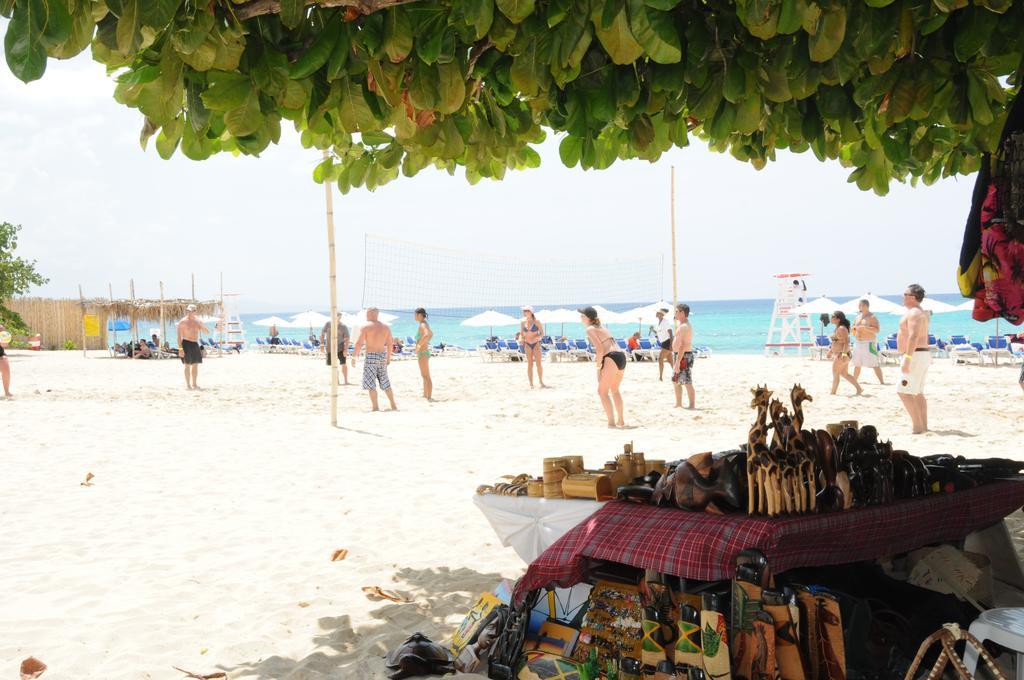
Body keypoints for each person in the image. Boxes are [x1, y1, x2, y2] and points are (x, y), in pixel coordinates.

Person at [579, 306, 625, 427]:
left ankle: (611, 423)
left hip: (611, 357)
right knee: (614, 390)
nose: (580, 317)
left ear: (587, 317)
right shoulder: (602, 327)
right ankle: (621, 420)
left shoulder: (590, 329)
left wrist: (598, 368)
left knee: (602, 392)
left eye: (582, 315)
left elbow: (599, 349)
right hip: (621, 356)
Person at [897, 284, 931, 433]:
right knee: (917, 392)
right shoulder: (918, 312)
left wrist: (908, 357)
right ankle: (923, 426)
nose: (903, 297)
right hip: (920, 354)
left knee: (903, 391)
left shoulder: (914, 313)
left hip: (915, 354)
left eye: (905, 294)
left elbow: (914, 336)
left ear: (913, 297)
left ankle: (917, 426)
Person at [351, 307, 398, 411]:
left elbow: (359, 343)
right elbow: (390, 344)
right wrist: (388, 358)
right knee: (385, 381)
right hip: (382, 355)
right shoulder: (386, 327)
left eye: (368, 313)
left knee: (371, 383)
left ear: (373, 314)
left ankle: (375, 407)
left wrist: (354, 356)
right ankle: (393, 405)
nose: (366, 315)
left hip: (371, 356)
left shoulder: (366, 327)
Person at [828, 311, 863, 396]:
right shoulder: (838, 328)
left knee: (835, 373)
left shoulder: (841, 328)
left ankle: (833, 393)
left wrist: (843, 355)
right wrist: (831, 351)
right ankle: (859, 389)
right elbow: (836, 341)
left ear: (838, 319)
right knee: (844, 374)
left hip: (842, 354)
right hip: (841, 353)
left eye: (833, 316)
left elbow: (847, 342)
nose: (831, 318)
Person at [851, 299, 885, 385]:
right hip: (858, 342)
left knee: (874, 363)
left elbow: (877, 330)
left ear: (866, 306)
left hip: (869, 342)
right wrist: (854, 330)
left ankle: (882, 381)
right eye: (859, 305)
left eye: (861, 305)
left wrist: (865, 328)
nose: (859, 307)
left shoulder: (872, 317)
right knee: (857, 363)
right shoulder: (857, 317)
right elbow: (853, 329)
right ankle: (854, 380)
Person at [176, 304, 210, 390]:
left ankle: (194, 384)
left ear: (195, 311)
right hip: (186, 343)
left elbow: (207, 332)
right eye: (188, 311)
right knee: (187, 365)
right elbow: (179, 337)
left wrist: (201, 325)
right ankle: (188, 385)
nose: (190, 312)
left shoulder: (198, 321)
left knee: (195, 365)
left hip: (195, 344)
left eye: (192, 311)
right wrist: (180, 349)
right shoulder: (182, 322)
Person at [672, 303, 695, 409]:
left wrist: (677, 362)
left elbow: (683, 345)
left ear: (682, 313)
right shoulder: (682, 325)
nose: (675, 313)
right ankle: (678, 403)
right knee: (676, 380)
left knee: (686, 381)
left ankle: (691, 405)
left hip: (683, 356)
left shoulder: (685, 326)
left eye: (677, 311)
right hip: (680, 355)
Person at [520, 306, 546, 388]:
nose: (525, 312)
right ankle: (531, 383)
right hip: (527, 344)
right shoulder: (522, 322)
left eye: (527, 311)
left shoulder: (537, 322)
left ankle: (541, 381)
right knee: (529, 364)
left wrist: (538, 338)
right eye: (524, 311)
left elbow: (542, 333)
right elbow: (521, 334)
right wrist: (521, 339)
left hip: (536, 344)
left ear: (531, 312)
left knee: (538, 364)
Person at [321, 317, 351, 385]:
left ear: (340, 317)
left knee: (343, 364)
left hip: (340, 348)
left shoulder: (343, 326)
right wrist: (321, 345)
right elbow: (322, 335)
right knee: (332, 365)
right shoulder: (328, 324)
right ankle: (336, 381)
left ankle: (346, 381)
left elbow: (347, 338)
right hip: (330, 348)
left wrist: (346, 349)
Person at [414, 307, 434, 400]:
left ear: (419, 315)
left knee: (426, 376)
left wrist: (419, 346)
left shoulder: (423, 324)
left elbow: (426, 335)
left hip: (423, 353)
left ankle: (429, 397)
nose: (414, 316)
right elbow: (431, 334)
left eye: (415, 314)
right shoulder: (424, 324)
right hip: (423, 352)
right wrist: (425, 343)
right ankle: (425, 395)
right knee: (424, 376)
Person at [651, 308, 673, 380]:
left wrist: (671, 345)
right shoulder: (658, 323)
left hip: (667, 342)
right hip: (663, 342)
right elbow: (659, 333)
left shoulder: (665, 322)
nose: (656, 313)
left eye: (657, 312)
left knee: (660, 359)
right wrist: (653, 330)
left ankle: (660, 377)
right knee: (670, 361)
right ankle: (677, 374)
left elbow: (670, 333)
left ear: (661, 314)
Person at [0, 323, 12, 398]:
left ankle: (7, 392)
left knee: (6, 368)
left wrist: (4, 342)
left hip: (0, 353)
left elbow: (5, 344)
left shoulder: (0, 328)